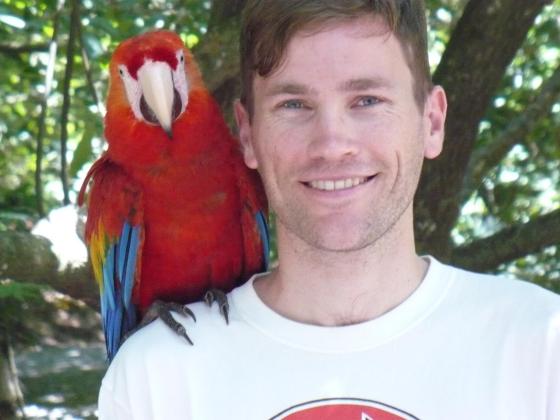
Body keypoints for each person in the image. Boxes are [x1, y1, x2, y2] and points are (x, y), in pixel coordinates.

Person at [98, 1, 560, 418]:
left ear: (432, 122)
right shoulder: (151, 378)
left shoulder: (542, 345)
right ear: (248, 134)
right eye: (294, 104)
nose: (332, 145)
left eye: (368, 100)